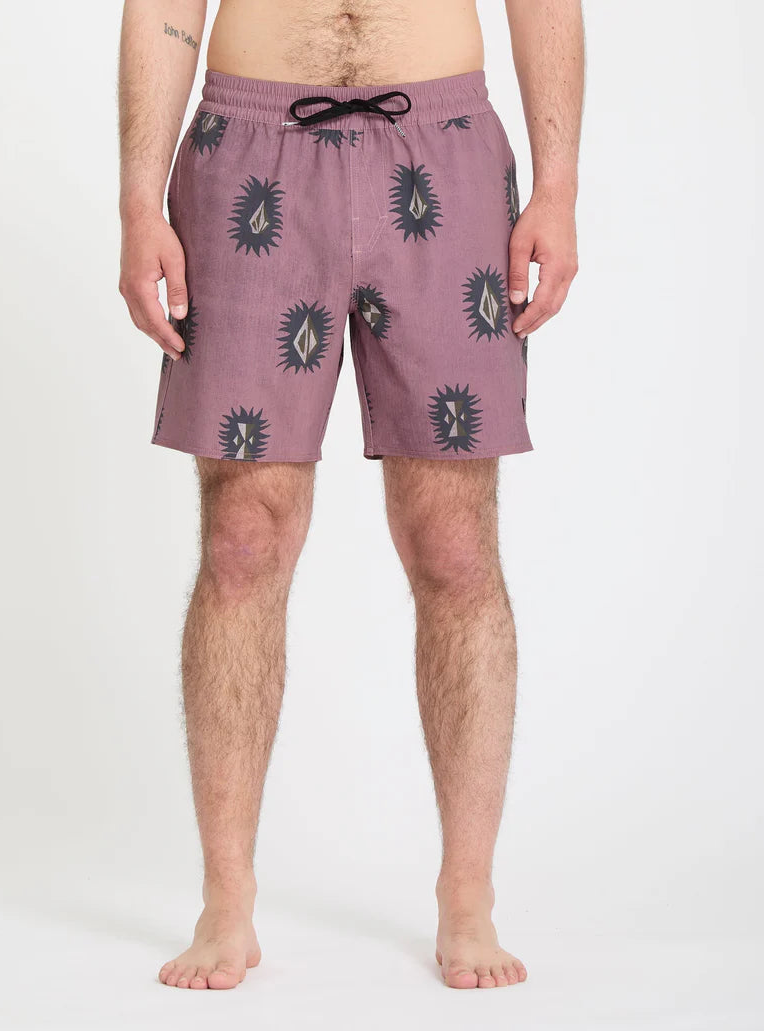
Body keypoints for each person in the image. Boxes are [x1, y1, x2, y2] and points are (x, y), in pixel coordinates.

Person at [118, 0, 582, 991]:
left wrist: (558, 186)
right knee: (242, 535)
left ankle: (468, 893)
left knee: (454, 542)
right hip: (249, 147)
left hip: (444, 148)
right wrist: (137, 201)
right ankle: (226, 900)